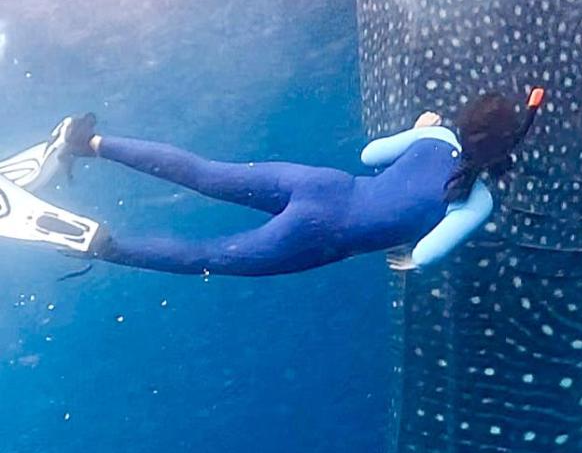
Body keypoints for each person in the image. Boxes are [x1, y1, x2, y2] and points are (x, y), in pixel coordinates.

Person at [0, 90, 544, 277]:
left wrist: (421, 130)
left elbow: (369, 155)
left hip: (322, 186)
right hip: (324, 234)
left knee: (205, 172)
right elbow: (427, 255)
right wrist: (407, 256)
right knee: (208, 256)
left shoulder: (438, 135)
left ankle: (86, 142)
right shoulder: (476, 202)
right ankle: (101, 245)